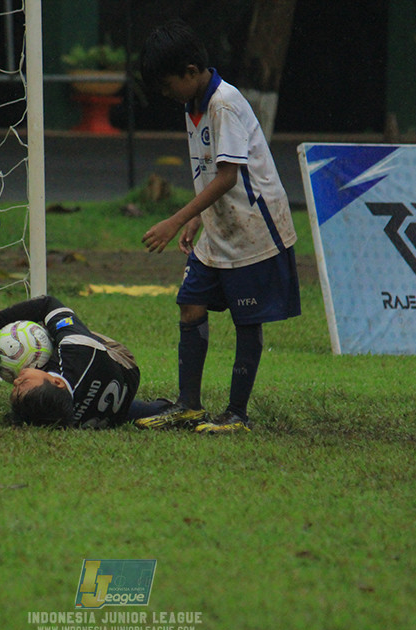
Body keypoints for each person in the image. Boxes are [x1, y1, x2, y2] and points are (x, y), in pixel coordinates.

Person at [132, 20, 301, 434]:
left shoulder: (223, 103)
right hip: (219, 226)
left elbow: (227, 176)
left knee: (248, 320)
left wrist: (175, 219)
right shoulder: (192, 104)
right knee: (190, 304)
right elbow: (211, 173)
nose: (166, 94)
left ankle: (237, 414)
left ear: (191, 71)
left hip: (254, 226)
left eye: (168, 84)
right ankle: (188, 405)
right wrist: (195, 218)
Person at [0, 295, 169, 428]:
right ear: (57, 382)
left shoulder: (57, 418)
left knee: (35, 351)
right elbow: (48, 304)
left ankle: (147, 409)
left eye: (15, 387)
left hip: (116, 405)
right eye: (21, 383)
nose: (15, 381)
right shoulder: (77, 349)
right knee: (40, 333)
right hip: (124, 366)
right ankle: (156, 409)